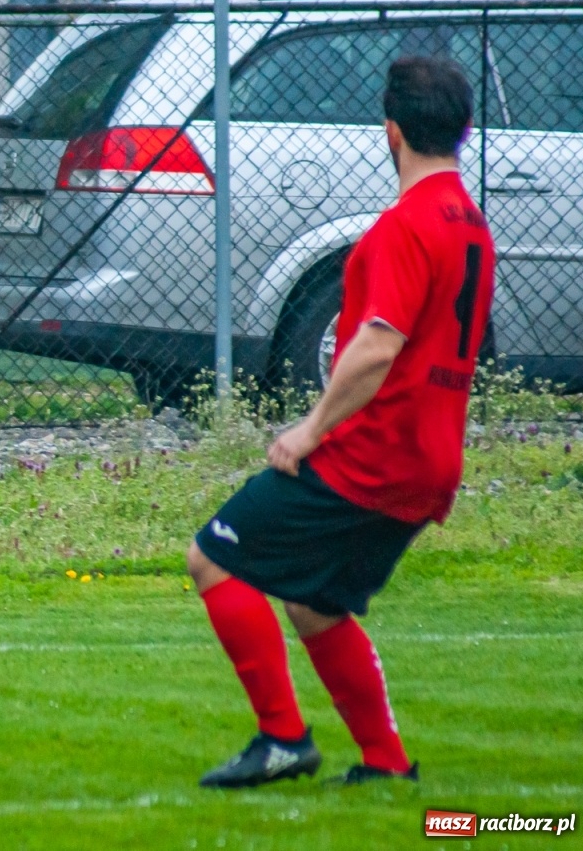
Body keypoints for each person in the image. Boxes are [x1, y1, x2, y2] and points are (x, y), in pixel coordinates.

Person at [188, 57, 495, 787]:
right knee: (313, 599)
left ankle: (282, 738)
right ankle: (385, 763)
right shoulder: (471, 225)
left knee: (214, 557)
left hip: (373, 454)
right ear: (464, 131)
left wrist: (309, 428)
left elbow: (378, 344)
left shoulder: (406, 225)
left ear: (390, 132)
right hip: (431, 459)